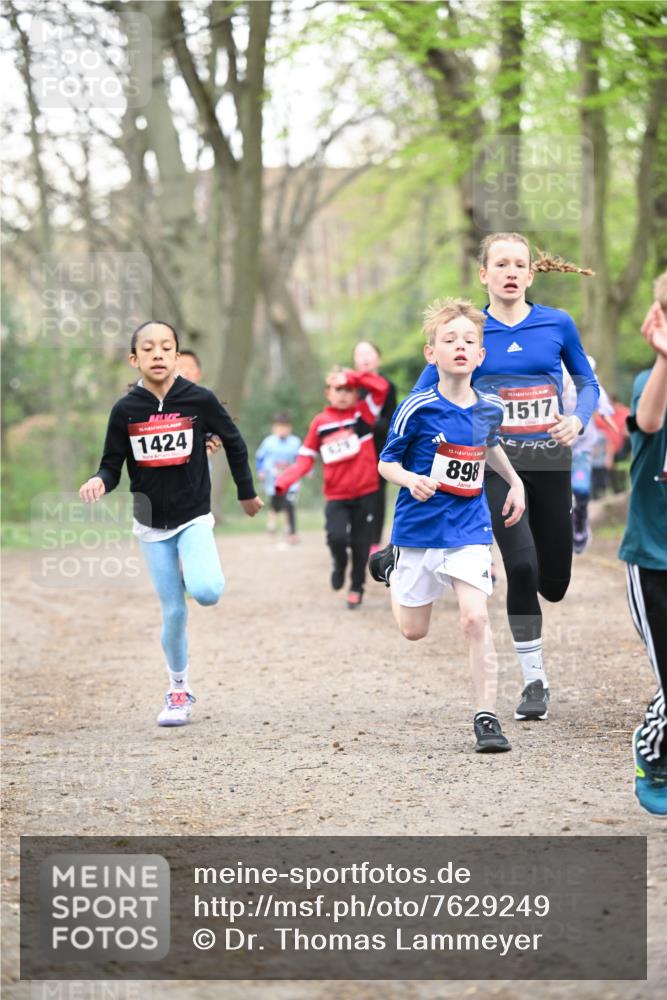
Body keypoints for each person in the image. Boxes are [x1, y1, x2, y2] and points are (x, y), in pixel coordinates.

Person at [371, 233, 599, 721]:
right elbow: (424, 397)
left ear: (531, 274)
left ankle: (539, 617)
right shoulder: (469, 333)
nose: (510, 272)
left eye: (519, 264)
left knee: (553, 583)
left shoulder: (557, 323)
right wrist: (412, 469)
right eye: (501, 264)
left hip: (549, 463)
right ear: (484, 274)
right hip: (493, 467)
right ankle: (534, 681)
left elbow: (587, 381)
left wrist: (578, 419)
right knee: (520, 566)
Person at [79, 320, 263, 727]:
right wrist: (99, 481)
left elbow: (234, 443)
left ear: (178, 356)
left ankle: (192, 571)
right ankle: (178, 689)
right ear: (134, 359)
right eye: (148, 348)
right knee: (174, 612)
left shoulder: (200, 399)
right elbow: (111, 465)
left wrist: (246, 492)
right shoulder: (125, 410)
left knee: (208, 591)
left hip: (193, 515)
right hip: (150, 524)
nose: (157, 354)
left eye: (166, 347)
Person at [378, 298, 525, 752]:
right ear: (432, 353)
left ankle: (486, 718)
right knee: (413, 631)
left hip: (469, 527)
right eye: (449, 340)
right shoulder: (416, 407)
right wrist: (411, 479)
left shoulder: (490, 407)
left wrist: (515, 482)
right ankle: (391, 567)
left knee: (475, 618)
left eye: (468, 340)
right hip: (418, 530)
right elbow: (386, 462)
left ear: (480, 355)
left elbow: (489, 445)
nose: (460, 346)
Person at [274, 366, 389, 608]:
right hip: (336, 495)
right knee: (336, 537)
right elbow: (305, 458)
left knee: (360, 543)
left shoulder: (363, 414)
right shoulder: (320, 423)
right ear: (328, 393)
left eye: (349, 390)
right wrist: (284, 481)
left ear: (356, 394)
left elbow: (382, 387)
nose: (344, 394)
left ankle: (356, 587)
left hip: (366, 492)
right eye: (339, 389)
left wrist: (352, 376)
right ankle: (339, 563)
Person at [619, 282, 667, 816]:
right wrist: (664, 358)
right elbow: (650, 421)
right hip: (656, 558)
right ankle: (652, 750)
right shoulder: (649, 384)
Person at [562, 356, 615, 554]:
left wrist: (604, 410)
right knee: (557, 494)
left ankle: (581, 517)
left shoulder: (583, 364)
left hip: (581, 445)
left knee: (581, 488)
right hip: (554, 445)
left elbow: (595, 388)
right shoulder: (544, 362)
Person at [352, 342, 397, 552]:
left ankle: (374, 542)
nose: (364, 358)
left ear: (378, 358)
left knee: (377, 495)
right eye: (360, 354)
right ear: (354, 360)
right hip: (352, 450)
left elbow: (391, 420)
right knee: (353, 494)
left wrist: (373, 424)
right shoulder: (350, 385)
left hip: (378, 448)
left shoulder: (388, 386)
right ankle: (355, 537)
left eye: (369, 353)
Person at [256, 413, 302, 543]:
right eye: (279, 427)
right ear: (274, 428)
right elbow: (260, 457)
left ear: (290, 428)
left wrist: (305, 471)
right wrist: (261, 471)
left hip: (291, 480)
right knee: (276, 505)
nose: (282, 430)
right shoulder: (268, 442)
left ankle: (291, 531)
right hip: (274, 481)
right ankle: (271, 526)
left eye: (285, 427)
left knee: (289, 503)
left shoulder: (295, 442)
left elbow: (302, 458)